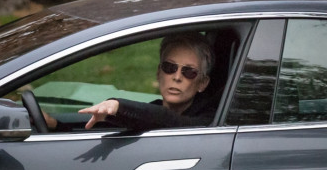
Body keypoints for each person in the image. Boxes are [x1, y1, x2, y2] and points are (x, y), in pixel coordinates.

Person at [45, 32, 216, 132]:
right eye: (169, 67)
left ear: (202, 83)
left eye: (189, 72)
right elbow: (105, 129)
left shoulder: (210, 120)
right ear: (158, 73)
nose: (177, 77)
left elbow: (170, 121)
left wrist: (119, 107)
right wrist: (55, 125)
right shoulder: (153, 108)